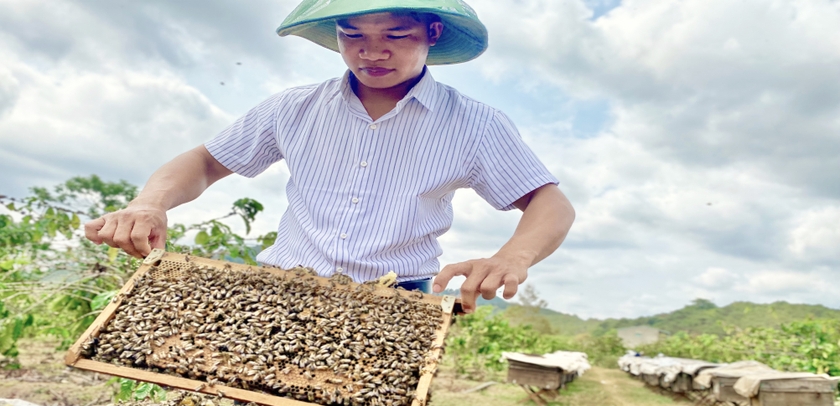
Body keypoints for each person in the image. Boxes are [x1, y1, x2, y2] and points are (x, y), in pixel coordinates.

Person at [84, 0, 575, 313]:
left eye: (395, 36)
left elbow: (550, 204)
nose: (371, 52)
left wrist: (513, 256)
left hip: (395, 302)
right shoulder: (294, 106)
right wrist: (150, 203)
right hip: (278, 291)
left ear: (433, 32)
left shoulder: (476, 123)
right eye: (352, 34)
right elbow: (207, 162)